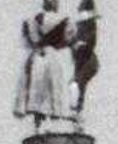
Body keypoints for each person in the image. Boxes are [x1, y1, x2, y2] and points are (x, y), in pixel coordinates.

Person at [14, 0, 77, 128]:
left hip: (35, 57)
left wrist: (36, 45)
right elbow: (68, 39)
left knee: (35, 90)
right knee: (54, 86)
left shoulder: (30, 20)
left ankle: (38, 123)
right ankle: (53, 119)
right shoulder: (64, 20)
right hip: (52, 56)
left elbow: (25, 42)